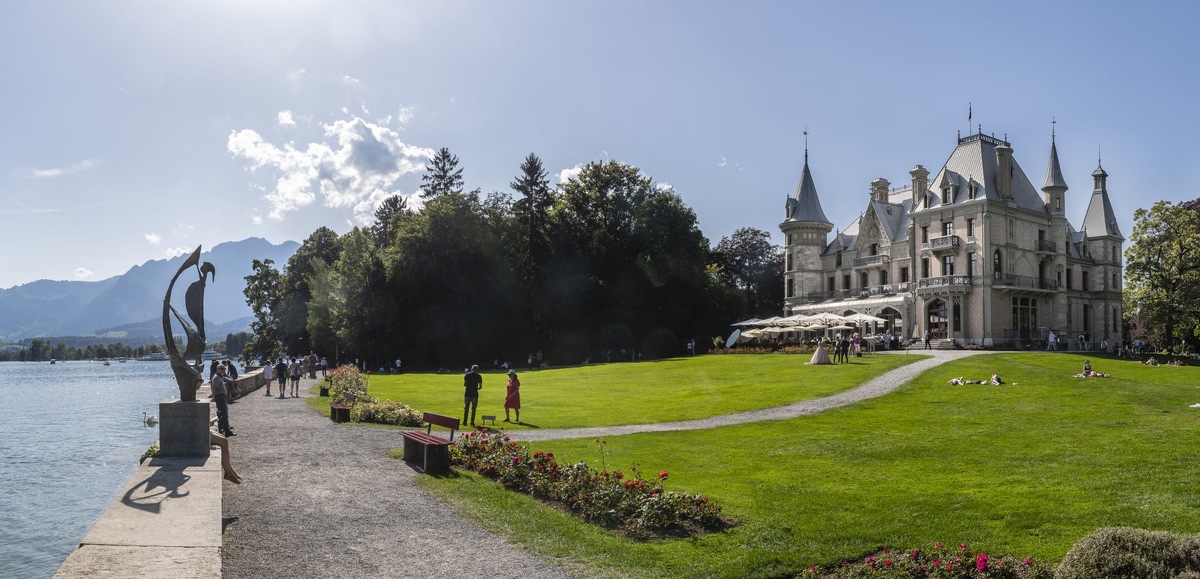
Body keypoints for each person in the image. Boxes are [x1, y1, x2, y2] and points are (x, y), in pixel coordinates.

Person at [211, 365, 235, 437]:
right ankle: (227, 431)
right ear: (218, 369)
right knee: (224, 414)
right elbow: (214, 389)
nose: (223, 370)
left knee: (223, 414)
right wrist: (216, 398)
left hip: (222, 397)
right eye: (221, 369)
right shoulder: (216, 378)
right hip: (220, 397)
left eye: (224, 369)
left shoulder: (220, 377)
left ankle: (222, 430)